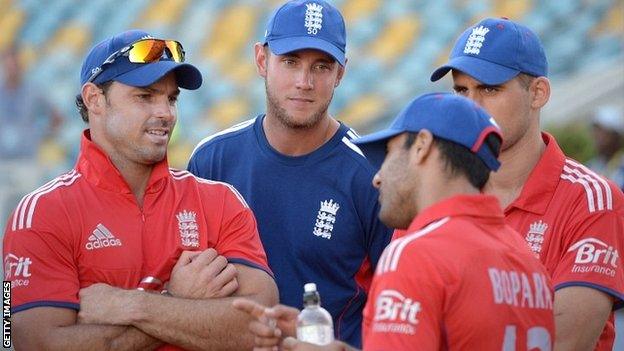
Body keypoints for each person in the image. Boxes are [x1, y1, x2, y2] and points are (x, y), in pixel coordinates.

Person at [2, 29, 278, 351]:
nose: (165, 113)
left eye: (171, 98)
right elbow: (25, 342)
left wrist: (134, 306)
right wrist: (181, 304)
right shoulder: (40, 214)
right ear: (94, 99)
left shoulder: (220, 201)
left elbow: (262, 323)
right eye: (145, 96)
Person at [233, 93, 555, 350]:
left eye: (388, 153)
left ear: (421, 147)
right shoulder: (527, 261)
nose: (377, 177)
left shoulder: (416, 254)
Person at [188, 0, 392, 347]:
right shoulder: (212, 160)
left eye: (321, 67)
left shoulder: (373, 174)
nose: (304, 82)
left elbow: (395, 303)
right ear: (261, 60)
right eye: (291, 61)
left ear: (341, 73)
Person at [429, 17, 624, 351]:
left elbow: (563, 341)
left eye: (490, 88)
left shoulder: (593, 200)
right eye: (461, 90)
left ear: (538, 93)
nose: (471, 107)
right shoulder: (432, 192)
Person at [0, 45, 64, 231]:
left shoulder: (33, 90)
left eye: (15, 64)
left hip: (26, 162)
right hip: (2, 162)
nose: (12, 68)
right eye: (8, 64)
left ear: (20, 65)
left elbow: (57, 116)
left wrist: (42, 135)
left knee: (28, 212)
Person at [587, 106, 624, 191]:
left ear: (616, 136)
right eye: (596, 130)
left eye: (603, 132)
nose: (597, 136)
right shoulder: (590, 167)